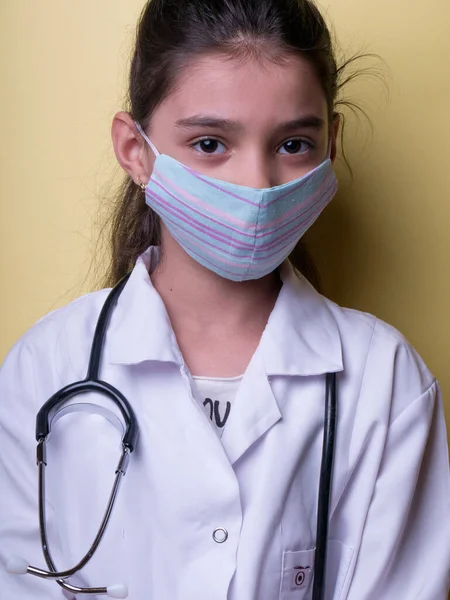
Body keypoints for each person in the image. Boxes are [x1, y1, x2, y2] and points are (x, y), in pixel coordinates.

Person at [0, 0, 449, 598]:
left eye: (293, 145)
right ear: (136, 151)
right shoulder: (46, 368)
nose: (257, 186)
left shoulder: (386, 380)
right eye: (210, 143)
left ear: (331, 144)